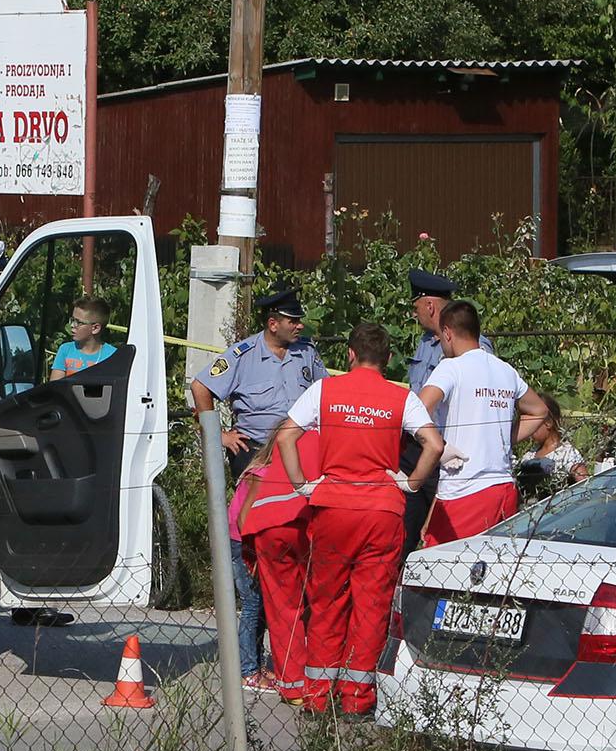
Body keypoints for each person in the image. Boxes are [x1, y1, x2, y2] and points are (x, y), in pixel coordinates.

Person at [275, 322, 443, 715]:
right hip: (382, 512)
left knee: (327, 598)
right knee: (371, 605)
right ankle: (357, 698)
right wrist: (412, 484)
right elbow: (434, 444)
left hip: (332, 506)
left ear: (349, 354)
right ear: (387, 359)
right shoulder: (401, 397)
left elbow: (285, 436)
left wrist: (304, 486)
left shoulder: (324, 390)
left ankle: (318, 695)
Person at [189, 289, 326, 691]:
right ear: (273, 323)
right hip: (257, 458)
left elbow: (323, 395)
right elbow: (201, 388)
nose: (299, 326)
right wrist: (219, 432)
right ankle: (252, 662)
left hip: (299, 452)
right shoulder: (243, 355)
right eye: (292, 320)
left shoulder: (307, 354)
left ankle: (279, 654)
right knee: (257, 552)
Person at [417, 301, 555, 546]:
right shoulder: (505, 369)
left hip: (464, 491)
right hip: (502, 489)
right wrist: (500, 436)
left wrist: (437, 443)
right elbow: (538, 410)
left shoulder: (451, 367)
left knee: (439, 570)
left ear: (447, 333)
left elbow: (419, 409)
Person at [232, 418, 318, 707]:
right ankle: (251, 669)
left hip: (265, 537)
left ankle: (289, 679)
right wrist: (250, 552)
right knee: (258, 607)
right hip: (259, 539)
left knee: (282, 609)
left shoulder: (273, 469)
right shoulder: (263, 472)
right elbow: (244, 515)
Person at [403, 268, 490, 544]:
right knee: (403, 532)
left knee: (442, 536)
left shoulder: (474, 347)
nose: (414, 314)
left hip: (449, 456)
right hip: (418, 449)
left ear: (429, 305)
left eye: (416, 306)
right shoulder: (426, 343)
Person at [49, 297, 115, 380]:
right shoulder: (65, 350)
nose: (72, 325)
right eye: (72, 320)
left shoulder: (112, 355)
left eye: (78, 322)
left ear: (95, 328)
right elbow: (54, 387)